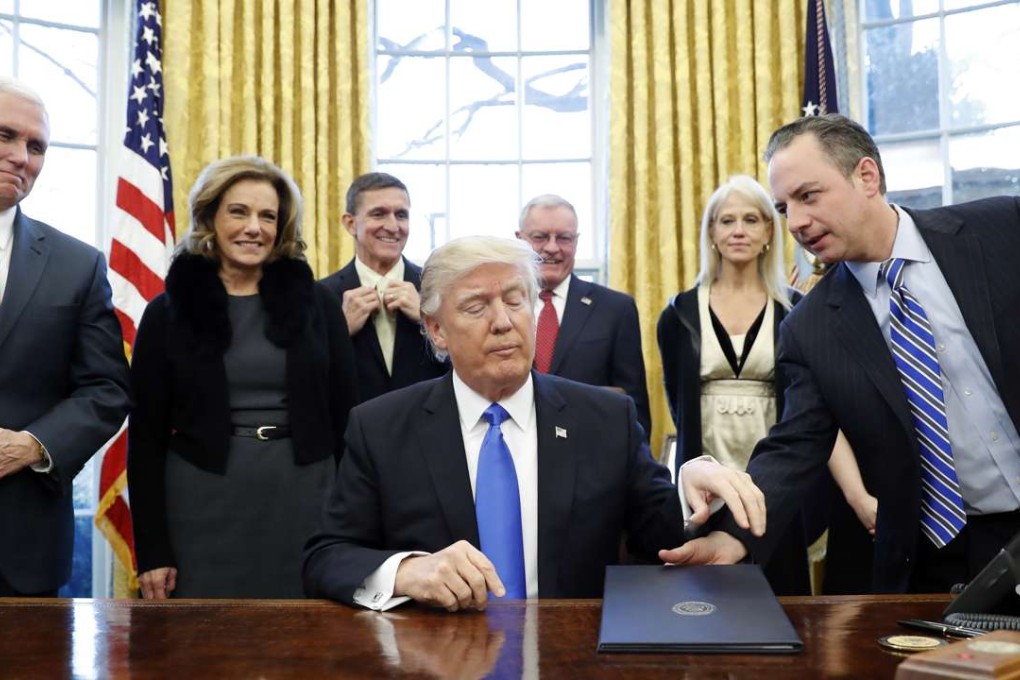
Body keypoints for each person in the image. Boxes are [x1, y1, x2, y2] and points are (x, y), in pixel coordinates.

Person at [303, 235, 766, 611]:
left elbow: (663, 534)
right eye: (476, 307)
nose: (503, 322)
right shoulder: (381, 427)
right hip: (438, 661)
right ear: (436, 329)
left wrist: (694, 483)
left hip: (574, 659)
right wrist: (406, 571)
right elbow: (327, 557)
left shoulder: (604, 419)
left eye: (515, 300)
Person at [667, 114, 1020, 595]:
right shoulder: (809, 328)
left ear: (866, 177)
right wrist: (733, 537)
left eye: (808, 196)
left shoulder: (1000, 229)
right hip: (937, 559)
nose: (797, 222)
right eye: (784, 207)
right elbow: (794, 445)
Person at [128, 155, 359, 599]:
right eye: (239, 212)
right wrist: (152, 551)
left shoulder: (319, 306)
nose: (254, 227)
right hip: (199, 499)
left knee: (306, 649)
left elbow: (348, 421)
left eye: (267, 216)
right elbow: (146, 438)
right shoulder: (166, 312)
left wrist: (355, 525)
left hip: (306, 497)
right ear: (210, 217)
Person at [0, 78, 130, 597]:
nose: (21, 157)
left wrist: (33, 445)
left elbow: (106, 389)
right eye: (5, 136)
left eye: (35, 147)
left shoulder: (76, 264)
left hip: (20, 541)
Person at [656, 174, 810, 595]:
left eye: (750, 220)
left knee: (781, 597)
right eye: (726, 221)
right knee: (705, 597)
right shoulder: (678, 314)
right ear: (711, 233)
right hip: (706, 476)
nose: (738, 230)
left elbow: (808, 406)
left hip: (775, 475)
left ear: (768, 233)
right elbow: (677, 402)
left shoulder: (795, 311)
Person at [515, 195, 652, 440]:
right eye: (540, 237)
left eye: (564, 238)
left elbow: (634, 410)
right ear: (519, 240)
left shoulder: (615, 309)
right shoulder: (501, 307)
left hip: (590, 456)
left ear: (576, 242)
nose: (552, 247)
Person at [320, 173, 446, 402]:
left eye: (401, 215)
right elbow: (306, 380)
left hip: (427, 430)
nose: (392, 226)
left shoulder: (439, 286)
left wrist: (428, 320)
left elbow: (469, 367)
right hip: (350, 433)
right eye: (378, 214)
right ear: (350, 223)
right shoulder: (320, 296)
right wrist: (338, 331)